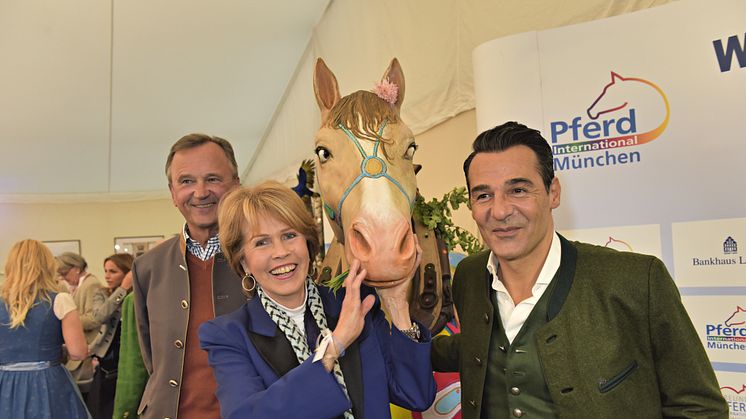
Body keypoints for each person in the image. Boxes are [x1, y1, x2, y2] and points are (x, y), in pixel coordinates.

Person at [430, 122, 728, 418]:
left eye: (518, 190)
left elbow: (700, 408)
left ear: (553, 193)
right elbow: (475, 347)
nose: (500, 211)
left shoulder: (635, 281)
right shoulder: (469, 276)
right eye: (483, 195)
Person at [199, 181, 435, 418]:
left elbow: (415, 395)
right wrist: (336, 344)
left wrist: (397, 303)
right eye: (261, 242)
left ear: (308, 244)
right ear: (243, 261)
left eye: (289, 235)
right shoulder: (227, 335)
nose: (281, 252)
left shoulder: (355, 303)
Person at [131, 133, 246, 419]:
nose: (200, 191)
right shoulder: (147, 268)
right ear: (172, 193)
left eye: (213, 179)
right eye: (186, 181)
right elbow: (152, 360)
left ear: (236, 185)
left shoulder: (262, 258)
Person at [0, 239, 91, 419]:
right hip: (46, 383)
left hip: (5, 384)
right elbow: (78, 352)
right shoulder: (60, 300)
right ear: (48, 266)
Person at [87, 253, 134, 418]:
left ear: (128, 272)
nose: (107, 276)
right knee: (100, 409)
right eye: (105, 271)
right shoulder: (101, 293)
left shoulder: (138, 295)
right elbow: (100, 316)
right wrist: (122, 289)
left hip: (129, 358)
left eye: (113, 271)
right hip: (106, 360)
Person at [57, 251, 107, 397]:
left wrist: (69, 321)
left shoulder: (91, 285)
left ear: (76, 269)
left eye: (64, 273)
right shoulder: (78, 286)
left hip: (87, 349)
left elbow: (94, 318)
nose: (63, 278)